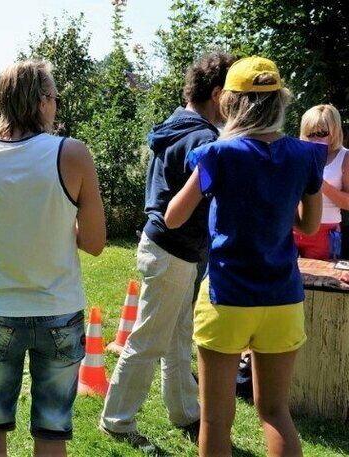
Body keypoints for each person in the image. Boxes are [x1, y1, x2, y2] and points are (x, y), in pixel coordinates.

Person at [165, 56, 325, 457]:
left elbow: (173, 217)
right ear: (281, 102)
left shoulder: (218, 154)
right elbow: (309, 226)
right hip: (283, 298)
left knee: (216, 419)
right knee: (275, 411)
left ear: (229, 104)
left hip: (227, 297)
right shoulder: (305, 156)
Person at [0, 60, 106, 457]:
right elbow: (95, 242)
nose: (56, 106)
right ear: (41, 101)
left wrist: (3, 229)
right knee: (51, 432)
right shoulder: (72, 154)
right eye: (54, 98)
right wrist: (54, 226)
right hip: (59, 311)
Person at [99, 52, 235, 453]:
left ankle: (185, 411)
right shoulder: (204, 140)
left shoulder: (176, 124)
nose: (236, 107)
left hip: (169, 249)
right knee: (149, 340)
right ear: (217, 94)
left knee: (177, 338)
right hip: (172, 251)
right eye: (233, 96)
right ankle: (116, 420)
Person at [295, 104, 348, 260]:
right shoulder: (299, 155)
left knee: (321, 275)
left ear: (334, 131)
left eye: (321, 133)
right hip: (293, 228)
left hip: (325, 231)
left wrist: (321, 183)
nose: (314, 139)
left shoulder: (345, 157)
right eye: (310, 133)